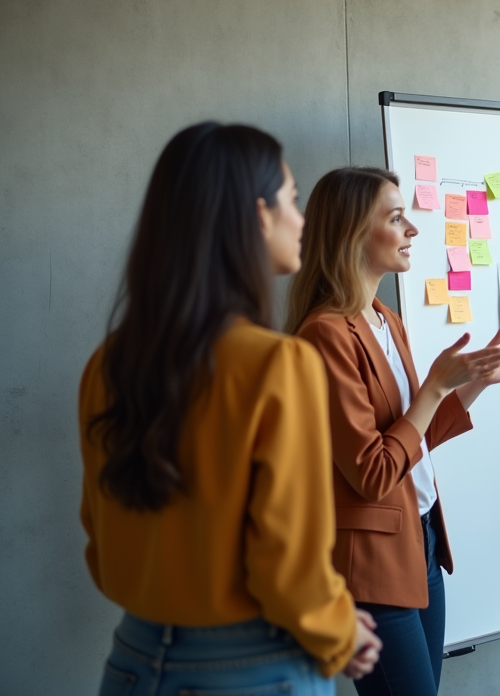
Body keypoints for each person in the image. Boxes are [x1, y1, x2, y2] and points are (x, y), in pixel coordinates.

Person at [79, 123, 380, 696]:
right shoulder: (279, 365)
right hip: (254, 670)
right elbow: (287, 565)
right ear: (257, 215)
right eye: (293, 199)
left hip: (132, 661)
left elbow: (101, 542)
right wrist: (342, 633)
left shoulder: (107, 364)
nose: (303, 219)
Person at [287, 166, 500, 696]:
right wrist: (433, 388)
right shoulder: (324, 335)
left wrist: (473, 385)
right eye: (397, 218)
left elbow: (413, 441)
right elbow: (373, 472)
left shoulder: (386, 319)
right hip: (372, 566)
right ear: (353, 231)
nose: (413, 231)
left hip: (420, 541)